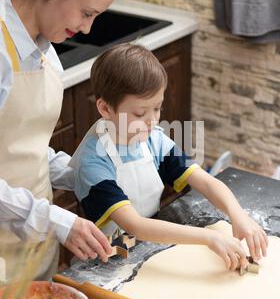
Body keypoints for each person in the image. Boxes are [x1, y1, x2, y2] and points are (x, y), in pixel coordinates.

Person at [70, 43, 268, 271]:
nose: (152, 120)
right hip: (107, 261)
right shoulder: (93, 162)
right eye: (139, 113)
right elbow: (135, 226)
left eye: (157, 108)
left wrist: (238, 215)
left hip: (150, 245)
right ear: (105, 109)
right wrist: (209, 238)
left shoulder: (152, 139)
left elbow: (205, 181)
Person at [0, 0, 123, 280]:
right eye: (86, 13)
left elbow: (24, 149)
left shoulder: (46, 49)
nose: (87, 28)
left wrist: (85, 173)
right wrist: (55, 219)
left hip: (33, 249)